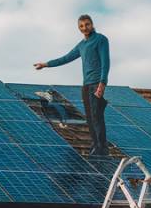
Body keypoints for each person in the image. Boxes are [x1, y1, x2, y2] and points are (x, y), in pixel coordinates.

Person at [34, 15, 110, 156]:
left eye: (87, 24)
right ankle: (95, 144)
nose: (84, 28)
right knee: (89, 117)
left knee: (96, 115)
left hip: (96, 83)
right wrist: (46, 64)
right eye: (81, 26)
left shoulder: (101, 40)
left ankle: (102, 148)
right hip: (86, 85)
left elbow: (106, 62)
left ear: (92, 24)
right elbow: (66, 58)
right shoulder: (82, 45)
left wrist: (102, 84)